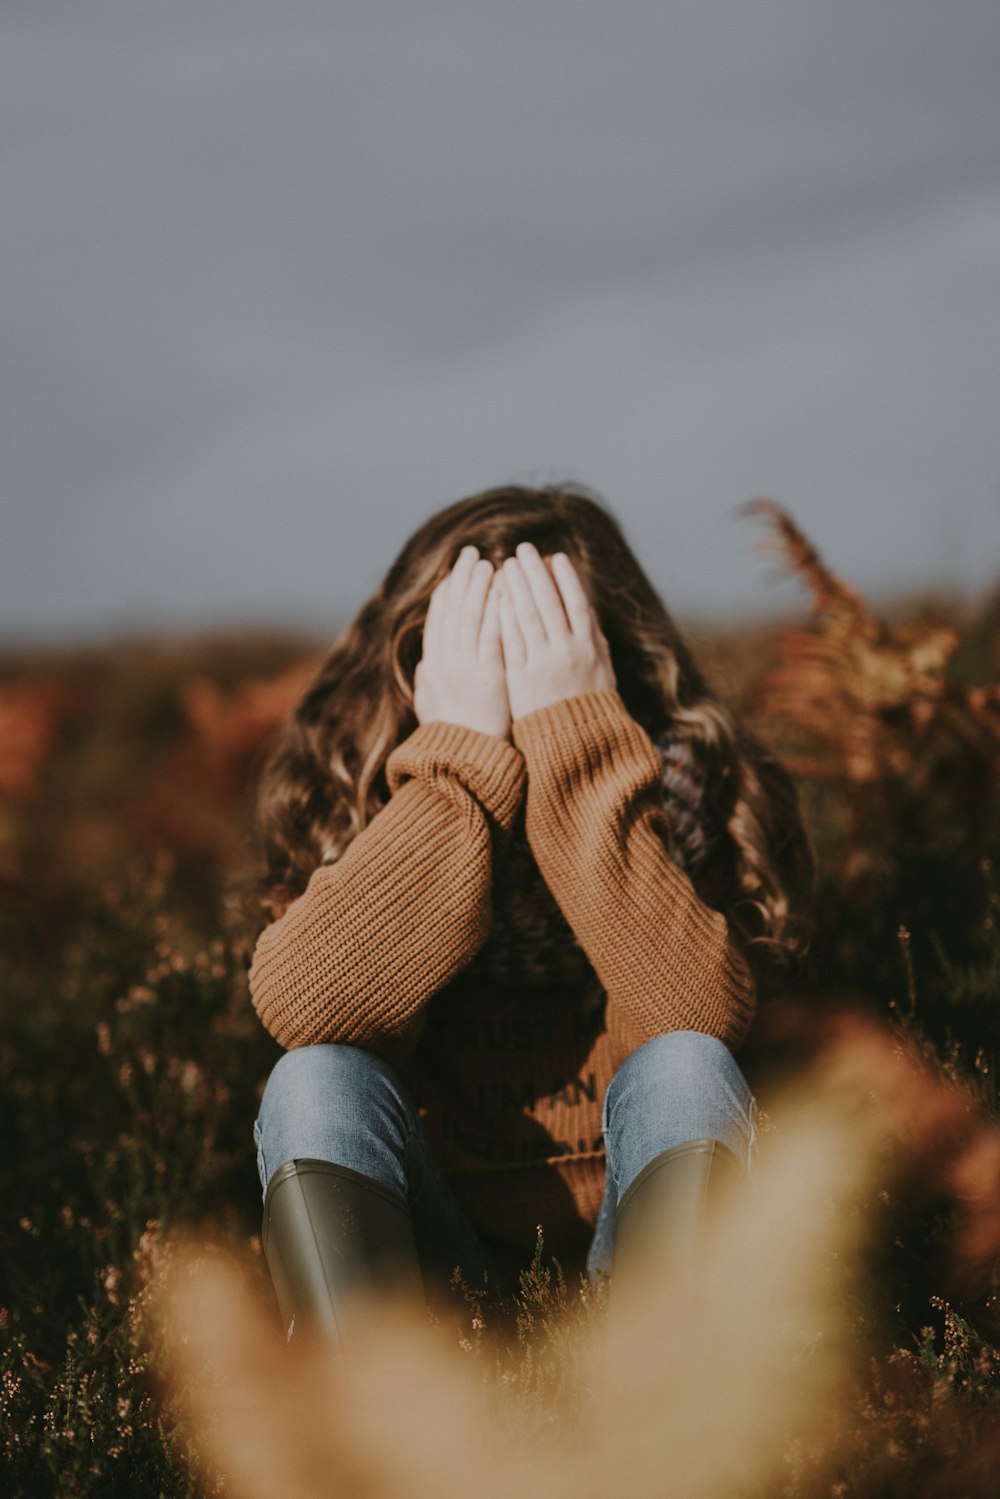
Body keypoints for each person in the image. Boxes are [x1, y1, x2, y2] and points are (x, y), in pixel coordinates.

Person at [248, 483, 813, 1347]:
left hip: (636, 1275)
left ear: (608, 661)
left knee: (689, 1068)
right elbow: (305, 1006)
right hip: (437, 1280)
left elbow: (695, 1022)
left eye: (546, 658)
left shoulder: (688, 796)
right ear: (425, 669)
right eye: (482, 658)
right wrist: (457, 772)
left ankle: (665, 1433)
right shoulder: (371, 800)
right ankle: (368, 1440)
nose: (514, 698)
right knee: (313, 1082)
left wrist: (578, 742)